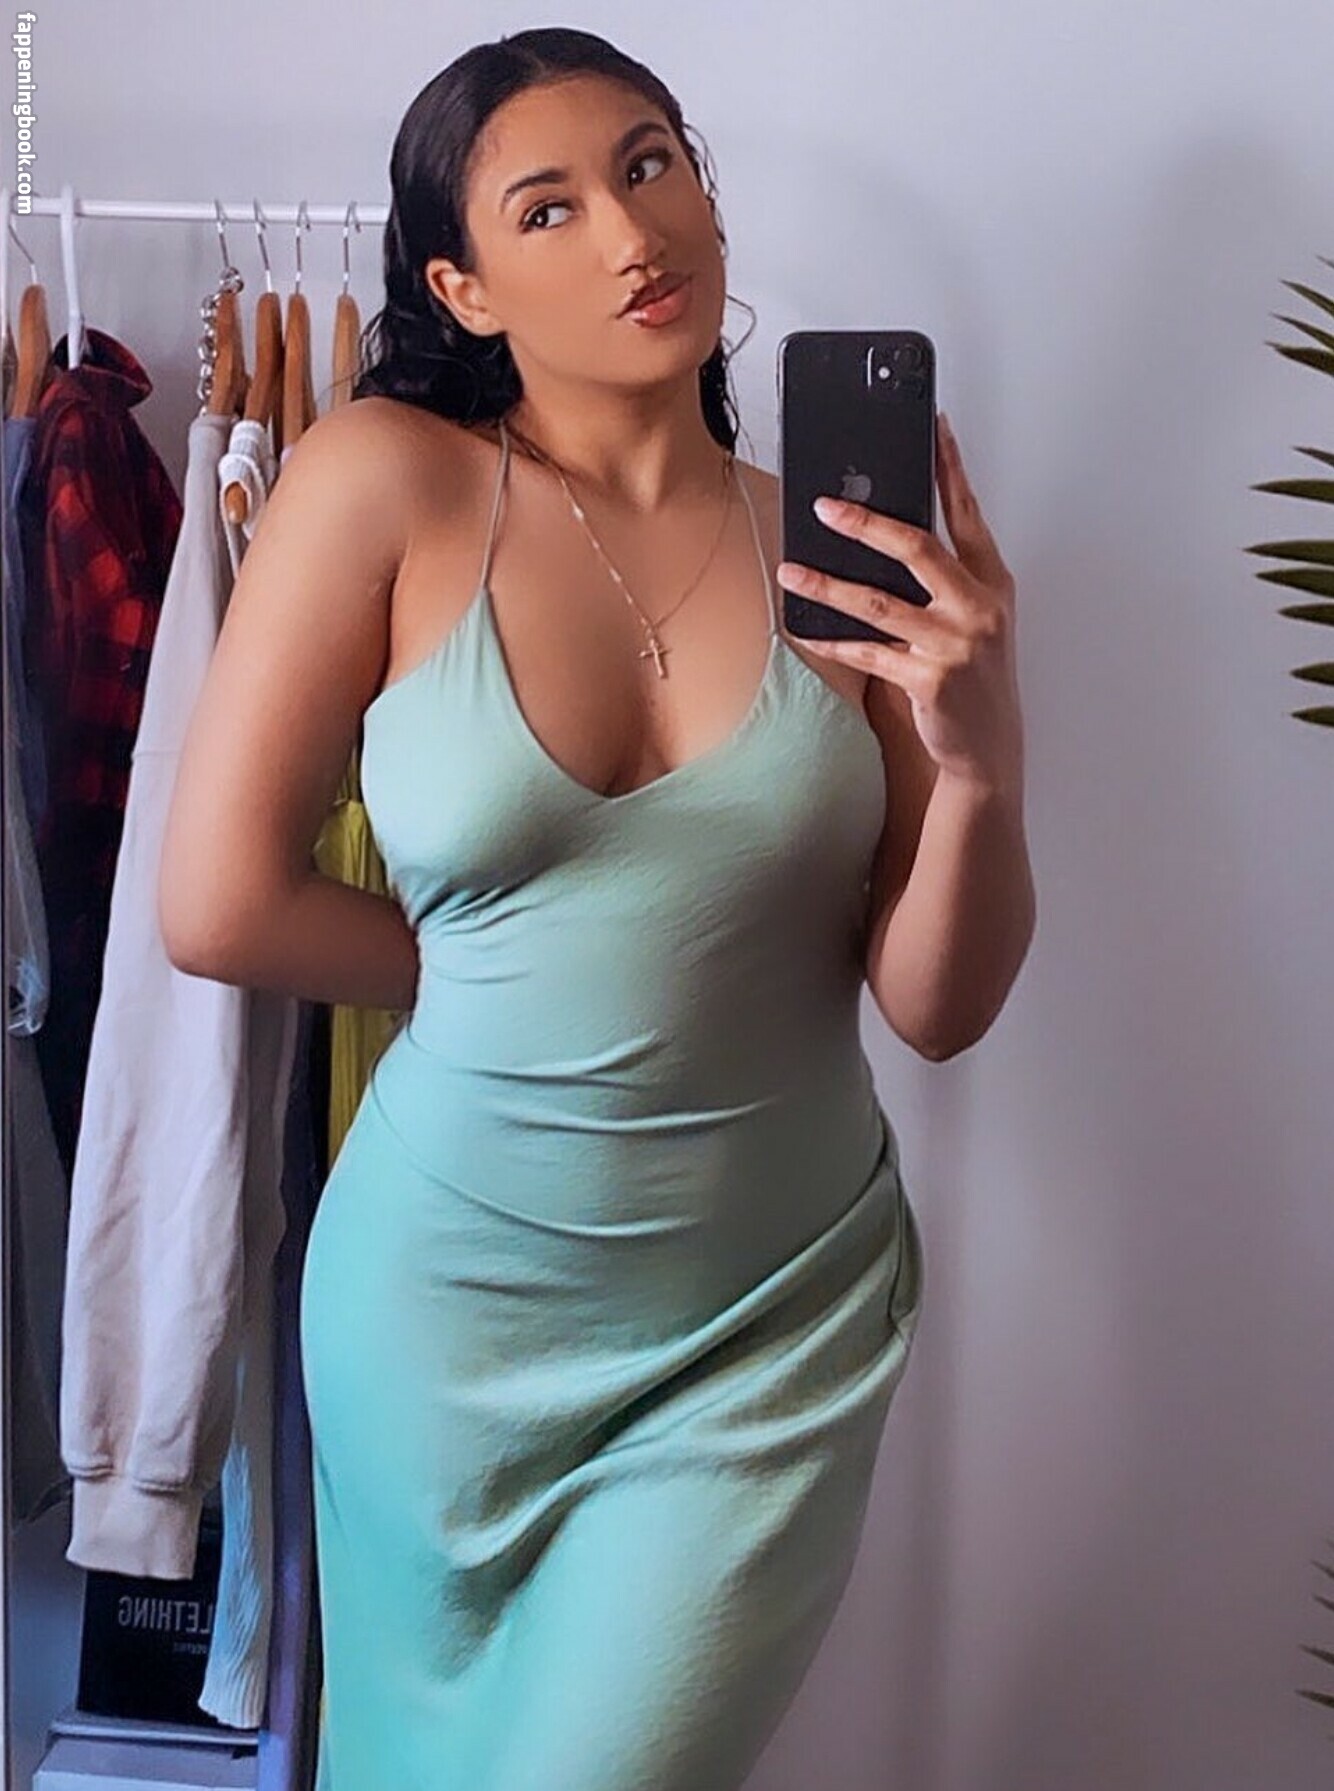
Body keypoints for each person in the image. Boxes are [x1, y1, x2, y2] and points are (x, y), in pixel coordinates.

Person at [160, 25, 1035, 1791]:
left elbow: (934, 1009)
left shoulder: (842, 558)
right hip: (442, 1315)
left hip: (758, 1326)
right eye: (547, 208)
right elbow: (217, 903)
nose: (633, 234)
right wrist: (501, 975)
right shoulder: (382, 481)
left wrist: (980, 754)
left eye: (650, 166)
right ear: (462, 289)